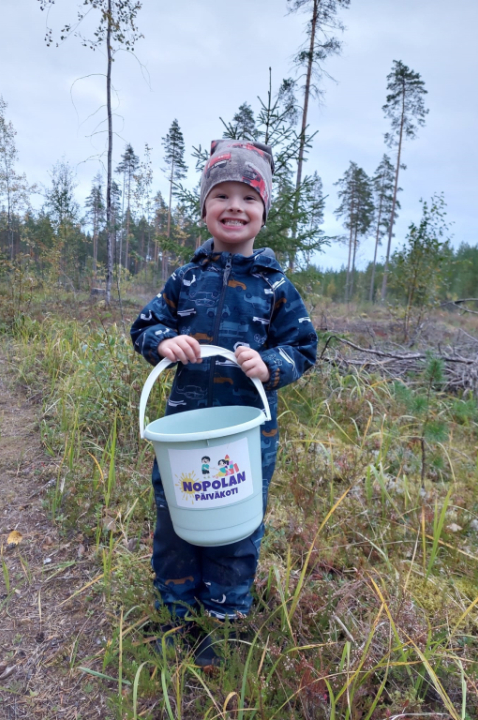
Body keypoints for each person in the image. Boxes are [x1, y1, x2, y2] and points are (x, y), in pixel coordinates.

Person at [131, 139, 317, 667]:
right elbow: (145, 325)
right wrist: (165, 342)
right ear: (206, 208)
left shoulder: (276, 286)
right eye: (222, 195)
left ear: (263, 212)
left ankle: (226, 619)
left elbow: (303, 346)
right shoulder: (185, 279)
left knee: (236, 525)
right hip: (184, 434)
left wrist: (270, 365)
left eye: (248, 197)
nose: (235, 206)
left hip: (247, 437)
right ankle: (176, 616)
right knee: (177, 522)